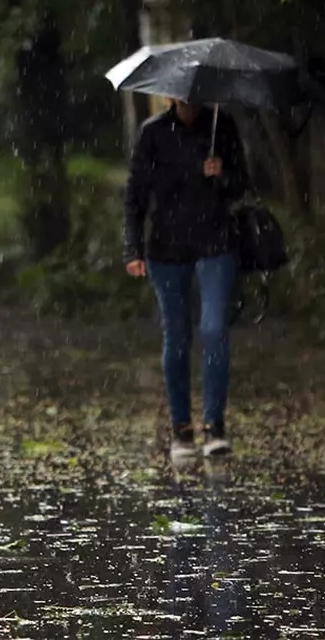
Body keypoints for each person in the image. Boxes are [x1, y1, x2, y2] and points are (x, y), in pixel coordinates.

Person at [124, 99, 248, 459]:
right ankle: (181, 429)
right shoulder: (153, 133)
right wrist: (132, 249)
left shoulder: (221, 126)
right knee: (177, 336)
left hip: (215, 244)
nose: (189, 103)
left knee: (213, 329)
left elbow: (242, 185)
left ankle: (215, 425)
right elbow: (135, 195)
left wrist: (221, 174)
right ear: (171, 97)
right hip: (166, 248)